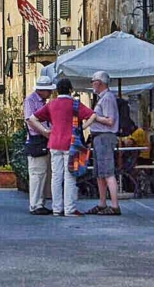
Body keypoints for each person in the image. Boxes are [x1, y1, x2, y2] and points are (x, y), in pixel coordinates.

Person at [29, 78, 95, 217]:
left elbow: (33, 118)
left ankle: (57, 208)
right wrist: (82, 127)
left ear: (57, 90)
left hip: (54, 143)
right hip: (71, 143)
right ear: (70, 90)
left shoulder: (51, 104)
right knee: (70, 176)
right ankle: (69, 208)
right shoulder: (75, 104)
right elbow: (92, 115)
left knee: (56, 177)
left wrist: (45, 131)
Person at [86, 71, 121, 216]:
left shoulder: (107, 98)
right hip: (99, 137)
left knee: (107, 171)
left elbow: (110, 120)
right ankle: (102, 203)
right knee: (100, 172)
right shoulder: (103, 98)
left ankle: (114, 205)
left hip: (105, 136)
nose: (92, 84)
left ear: (99, 83)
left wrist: (94, 117)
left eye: (93, 81)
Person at [23, 74, 55, 215]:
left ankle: (39, 203)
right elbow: (30, 120)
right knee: (37, 174)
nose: (50, 93)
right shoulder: (30, 100)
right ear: (41, 90)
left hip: (42, 139)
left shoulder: (43, 102)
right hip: (37, 138)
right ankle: (35, 204)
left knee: (42, 173)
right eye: (48, 90)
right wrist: (45, 132)